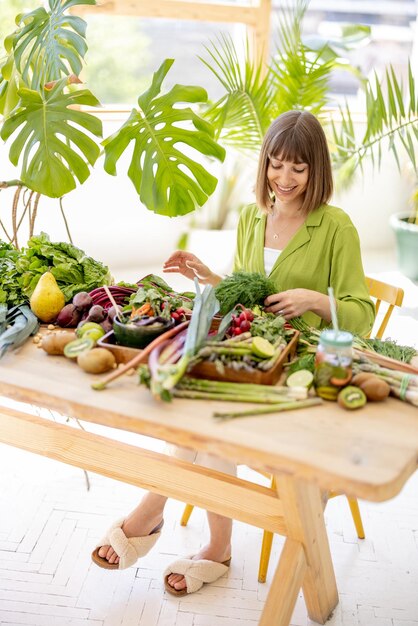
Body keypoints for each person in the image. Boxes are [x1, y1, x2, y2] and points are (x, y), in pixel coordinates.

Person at [91, 110, 375, 595]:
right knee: (199, 415)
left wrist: (314, 300)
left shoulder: (335, 227)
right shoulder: (251, 217)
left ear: (317, 171)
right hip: (249, 356)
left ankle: (159, 517)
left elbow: (361, 314)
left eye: (299, 169)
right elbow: (242, 294)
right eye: (276, 164)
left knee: (207, 423)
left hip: (299, 365)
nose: (284, 179)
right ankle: (208, 543)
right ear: (265, 163)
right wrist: (204, 273)